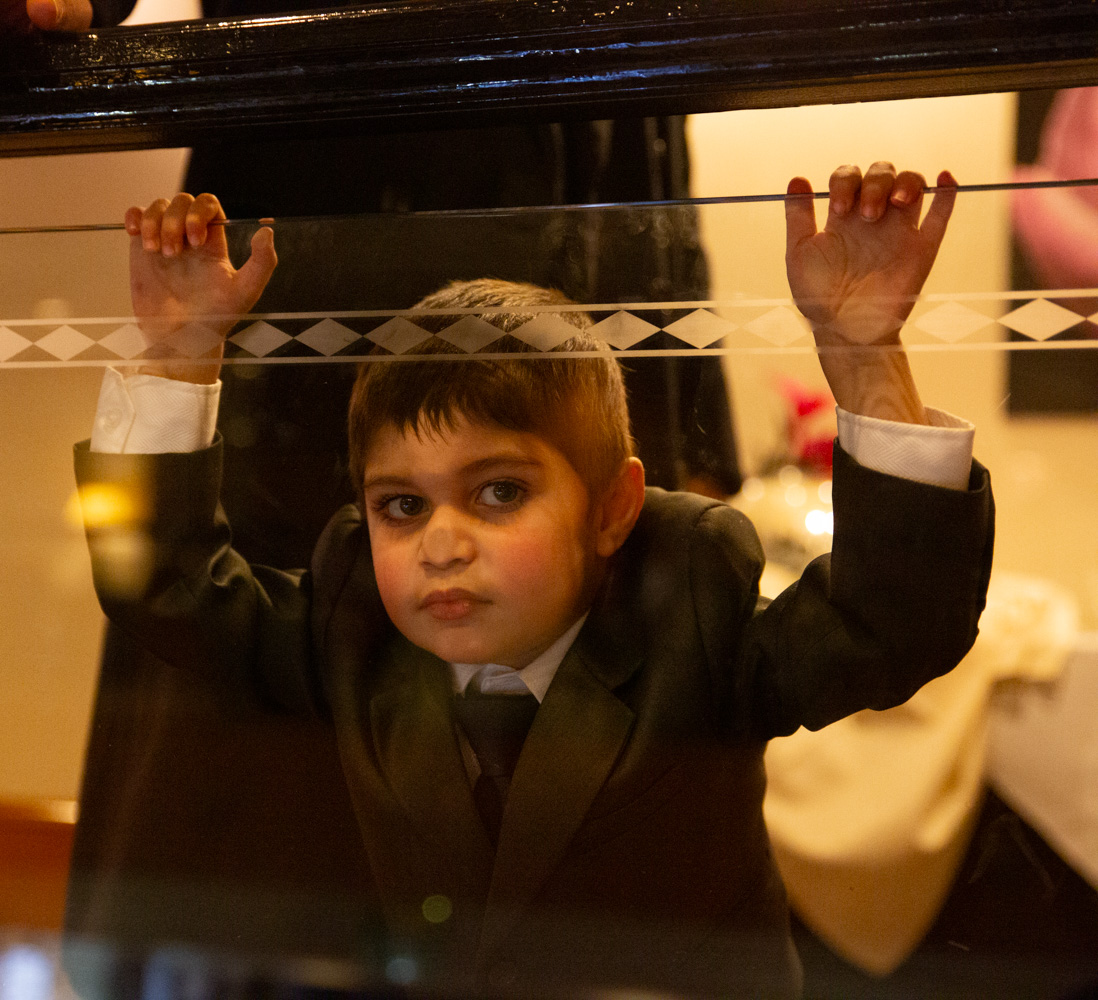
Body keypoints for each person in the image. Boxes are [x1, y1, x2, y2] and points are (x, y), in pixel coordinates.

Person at [71, 162, 993, 998]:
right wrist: (181, 359)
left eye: (499, 492)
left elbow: (892, 622)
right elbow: (169, 586)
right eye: (402, 505)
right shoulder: (355, 622)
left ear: (612, 508)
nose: (441, 544)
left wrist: (868, 361)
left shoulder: (688, 605)